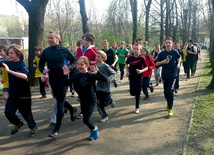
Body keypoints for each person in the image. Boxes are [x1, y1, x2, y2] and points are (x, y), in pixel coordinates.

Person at [39, 31, 77, 138]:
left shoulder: (64, 50)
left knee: (59, 103)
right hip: (52, 80)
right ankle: (72, 109)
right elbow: (40, 64)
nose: (49, 39)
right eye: (48, 38)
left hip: (63, 79)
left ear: (57, 39)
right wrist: (43, 71)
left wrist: (68, 68)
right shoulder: (46, 51)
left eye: (51, 37)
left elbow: (74, 61)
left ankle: (57, 129)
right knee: (60, 100)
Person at [62, 56, 108, 140]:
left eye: (82, 64)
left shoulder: (91, 75)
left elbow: (106, 80)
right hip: (82, 100)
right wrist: (65, 75)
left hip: (91, 100)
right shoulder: (76, 75)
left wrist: (98, 72)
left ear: (87, 65)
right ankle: (93, 130)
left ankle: (94, 129)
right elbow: (66, 83)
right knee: (85, 119)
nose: (79, 66)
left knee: (86, 119)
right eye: (78, 64)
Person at [0, 44, 38, 137]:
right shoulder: (8, 62)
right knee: (8, 112)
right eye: (8, 53)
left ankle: (33, 127)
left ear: (18, 54)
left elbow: (25, 76)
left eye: (12, 53)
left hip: (23, 94)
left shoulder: (21, 64)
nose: (9, 55)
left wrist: (9, 71)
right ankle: (18, 123)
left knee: (26, 113)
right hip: (13, 94)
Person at [155, 37, 181, 117]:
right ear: (164, 44)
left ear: (172, 44)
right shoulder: (162, 54)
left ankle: (170, 109)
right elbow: (156, 64)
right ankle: (168, 102)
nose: (168, 44)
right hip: (165, 75)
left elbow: (179, 57)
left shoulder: (175, 52)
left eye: (169, 43)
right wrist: (163, 62)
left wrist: (178, 64)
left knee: (170, 91)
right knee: (165, 92)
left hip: (173, 74)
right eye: (166, 43)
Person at [126, 44, 148, 114]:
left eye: (137, 49)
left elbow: (146, 67)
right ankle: (135, 94)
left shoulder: (142, 58)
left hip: (139, 77)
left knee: (138, 93)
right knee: (132, 93)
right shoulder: (129, 57)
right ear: (132, 49)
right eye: (134, 49)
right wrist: (127, 71)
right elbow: (126, 65)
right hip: (131, 77)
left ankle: (137, 107)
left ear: (140, 50)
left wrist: (141, 71)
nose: (135, 50)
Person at [95, 51, 116, 123]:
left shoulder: (106, 66)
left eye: (98, 57)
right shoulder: (95, 66)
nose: (96, 58)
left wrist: (108, 79)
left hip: (106, 88)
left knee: (105, 102)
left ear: (103, 58)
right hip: (98, 87)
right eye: (96, 56)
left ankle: (110, 100)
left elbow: (113, 73)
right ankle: (104, 115)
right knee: (98, 103)